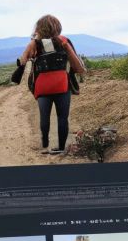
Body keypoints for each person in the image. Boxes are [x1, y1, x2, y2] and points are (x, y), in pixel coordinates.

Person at [17, 14, 85, 154]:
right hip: (61, 84)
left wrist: (34, 42)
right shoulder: (64, 41)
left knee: (44, 116)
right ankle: (60, 148)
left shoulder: (34, 43)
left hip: (43, 86)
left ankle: (45, 146)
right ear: (57, 27)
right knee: (62, 117)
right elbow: (78, 67)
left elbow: (23, 61)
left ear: (39, 28)